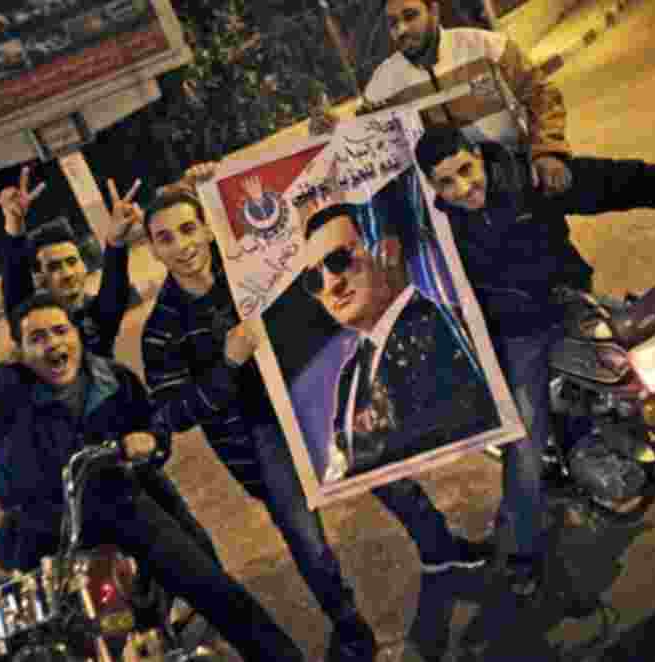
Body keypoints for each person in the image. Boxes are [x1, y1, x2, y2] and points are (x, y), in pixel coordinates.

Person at [140, 172, 490, 662]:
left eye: (187, 229)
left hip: (316, 396)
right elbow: (175, 413)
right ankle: (351, 631)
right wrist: (227, 364)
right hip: (260, 438)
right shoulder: (160, 329)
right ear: (153, 250)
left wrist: (324, 148)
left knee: (389, 473)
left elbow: (300, 210)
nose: (182, 245)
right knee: (306, 540)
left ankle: (443, 554)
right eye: (165, 238)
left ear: (205, 228)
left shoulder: (249, 268)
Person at [413, 125, 655, 601]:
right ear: (434, 188)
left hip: (573, 303)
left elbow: (617, 181)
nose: (464, 189)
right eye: (447, 183)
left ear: (477, 156)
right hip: (519, 331)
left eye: (466, 170)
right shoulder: (438, 230)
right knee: (523, 441)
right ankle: (521, 552)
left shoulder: (528, 178)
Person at [0, 271, 306, 662]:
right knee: (46, 637)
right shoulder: (9, 394)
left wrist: (150, 441)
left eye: (61, 331)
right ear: (21, 351)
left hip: (121, 505)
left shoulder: (113, 380)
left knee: (213, 588)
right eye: (37, 338)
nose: (53, 344)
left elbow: (153, 426)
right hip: (44, 530)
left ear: (77, 334)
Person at [301, 203, 499, 481]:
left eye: (339, 261)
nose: (331, 285)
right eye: (313, 279)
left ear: (388, 251)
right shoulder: (350, 373)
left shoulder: (447, 329)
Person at [312, 0, 572, 196]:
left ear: (433, 11)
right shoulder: (382, 83)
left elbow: (541, 95)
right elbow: (368, 140)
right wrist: (331, 132)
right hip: (455, 201)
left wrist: (547, 151)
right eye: (392, 23)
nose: (401, 29)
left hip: (516, 179)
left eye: (410, 16)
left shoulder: (486, 46)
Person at [0, 166, 140, 354]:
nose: (67, 273)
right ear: (39, 277)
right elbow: (16, 287)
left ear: (84, 266)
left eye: (72, 261)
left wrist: (116, 241)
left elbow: (115, 288)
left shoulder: (98, 315)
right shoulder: (31, 323)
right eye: (54, 267)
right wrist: (14, 225)